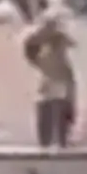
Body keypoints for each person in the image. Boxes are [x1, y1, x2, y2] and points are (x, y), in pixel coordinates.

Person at [23, 11, 77, 148]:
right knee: (49, 116)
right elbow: (30, 48)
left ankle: (58, 141)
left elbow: (72, 43)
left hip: (60, 85)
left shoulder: (57, 43)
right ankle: (52, 142)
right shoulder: (44, 48)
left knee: (59, 117)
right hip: (51, 85)